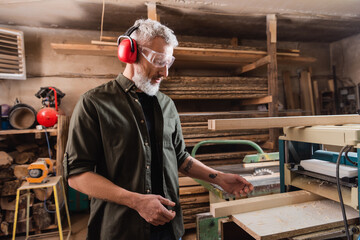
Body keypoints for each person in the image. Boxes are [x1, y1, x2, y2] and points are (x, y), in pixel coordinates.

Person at [63, 18, 253, 240]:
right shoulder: (94, 103)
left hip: (169, 229)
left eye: (169, 62)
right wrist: (136, 201)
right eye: (158, 61)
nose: (165, 73)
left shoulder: (166, 105)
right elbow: (77, 175)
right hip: (121, 230)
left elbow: (180, 157)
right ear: (130, 54)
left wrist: (219, 178)